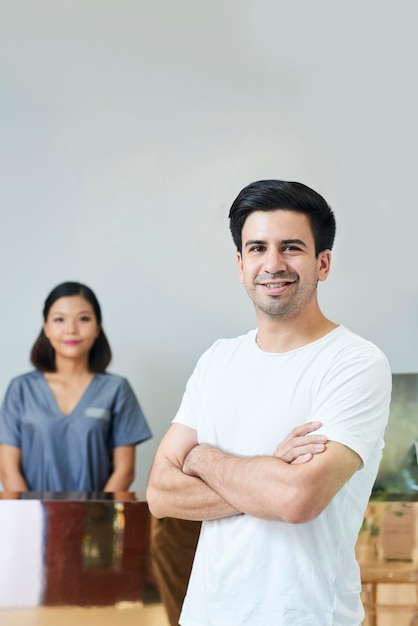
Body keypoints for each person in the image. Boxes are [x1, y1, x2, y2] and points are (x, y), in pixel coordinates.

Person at [146, 179, 392, 626]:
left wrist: (201, 457)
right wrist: (268, 473)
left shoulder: (355, 363)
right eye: (257, 248)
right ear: (240, 264)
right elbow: (160, 493)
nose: (273, 264)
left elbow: (297, 499)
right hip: (205, 615)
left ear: (324, 263)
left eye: (291, 247)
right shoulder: (217, 359)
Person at [0, 281, 152, 492]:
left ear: (97, 327)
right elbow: (8, 470)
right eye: (59, 319)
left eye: (83, 319)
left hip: (96, 520)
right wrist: (36, 515)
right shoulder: (21, 389)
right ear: (46, 328)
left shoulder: (116, 389)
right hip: (33, 519)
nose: (71, 329)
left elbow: (124, 471)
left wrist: (94, 517)